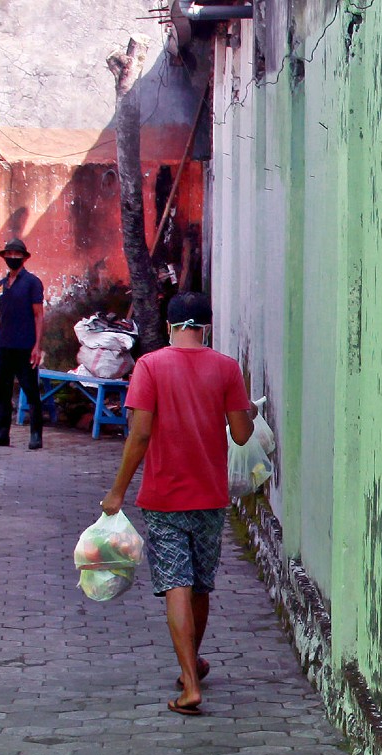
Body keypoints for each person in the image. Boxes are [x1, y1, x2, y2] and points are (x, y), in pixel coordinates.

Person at [99, 292, 257, 717]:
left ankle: (189, 682)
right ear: (206, 325)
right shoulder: (226, 369)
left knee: (176, 584)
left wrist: (117, 491)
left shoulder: (150, 366)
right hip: (210, 497)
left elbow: (140, 434)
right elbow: (242, 436)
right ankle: (194, 664)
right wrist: (249, 414)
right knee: (200, 584)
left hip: (164, 497)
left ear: (170, 326)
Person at [0, 238, 45, 450]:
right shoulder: (1, 285)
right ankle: (0, 434)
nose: (13, 259)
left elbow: (38, 315)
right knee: (0, 391)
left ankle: (36, 435)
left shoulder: (32, 283)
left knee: (31, 391)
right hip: (4, 346)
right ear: (4, 257)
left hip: (25, 346)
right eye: (9, 255)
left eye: (17, 255)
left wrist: (37, 345)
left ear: (24, 258)